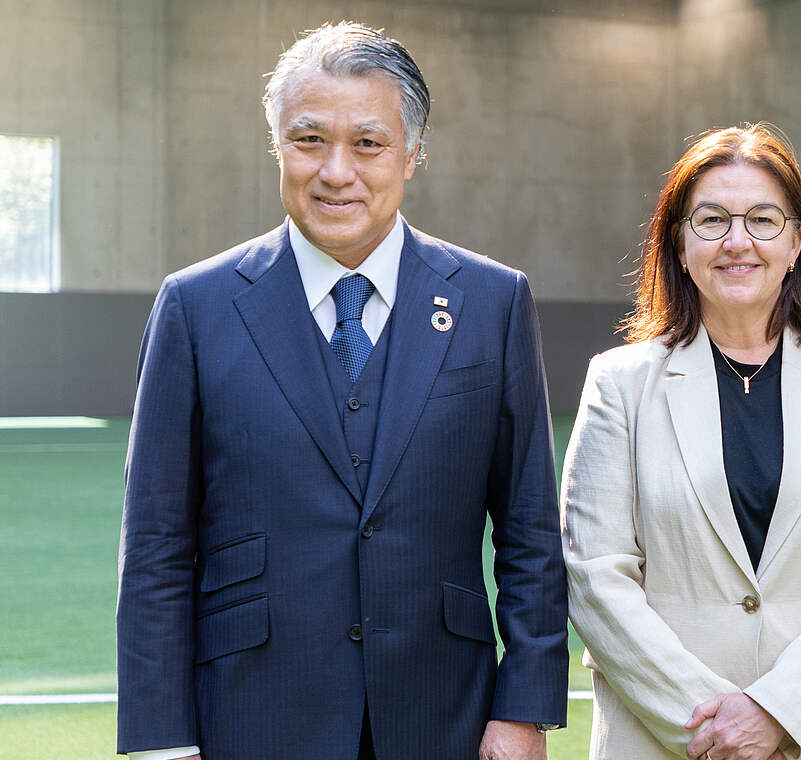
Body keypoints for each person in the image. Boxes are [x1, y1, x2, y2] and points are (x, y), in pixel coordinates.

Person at [116, 22, 567, 760]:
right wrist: (160, 739)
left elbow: (529, 533)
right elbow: (158, 544)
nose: (335, 170)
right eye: (308, 139)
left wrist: (525, 708)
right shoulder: (195, 306)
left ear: (413, 154)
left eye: (368, 143)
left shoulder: (493, 301)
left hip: (443, 714)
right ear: (276, 147)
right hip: (251, 715)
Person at [560, 123, 801, 760]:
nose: (737, 241)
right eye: (711, 220)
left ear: (797, 240)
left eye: (762, 219)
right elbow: (595, 578)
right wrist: (714, 729)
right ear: (678, 243)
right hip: (662, 739)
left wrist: (776, 711)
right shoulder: (618, 385)